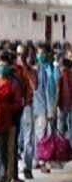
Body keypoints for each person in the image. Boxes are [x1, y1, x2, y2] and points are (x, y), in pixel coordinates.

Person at [0, 51, 23, 182]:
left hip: (9, 121)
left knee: (8, 150)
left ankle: (5, 178)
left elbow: (18, 103)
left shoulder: (14, 83)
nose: (2, 68)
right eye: (0, 65)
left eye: (5, 66)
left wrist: (4, 108)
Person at [33, 42, 60, 174]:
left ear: (48, 54)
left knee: (49, 133)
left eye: (42, 53)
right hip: (38, 105)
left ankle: (47, 158)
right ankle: (40, 160)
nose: (40, 55)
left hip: (49, 105)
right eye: (39, 53)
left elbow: (57, 87)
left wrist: (55, 106)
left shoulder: (53, 68)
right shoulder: (35, 69)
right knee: (40, 133)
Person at [16, 43, 38, 180]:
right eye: (18, 54)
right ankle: (11, 171)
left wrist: (26, 70)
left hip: (27, 106)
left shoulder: (32, 71)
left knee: (28, 139)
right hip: (15, 107)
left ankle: (27, 167)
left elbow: (34, 86)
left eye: (23, 54)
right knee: (15, 138)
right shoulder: (13, 70)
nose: (21, 57)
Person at [58, 58, 72, 146]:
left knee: (62, 124)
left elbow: (60, 90)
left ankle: (63, 144)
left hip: (64, 104)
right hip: (69, 103)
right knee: (70, 124)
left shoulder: (63, 75)